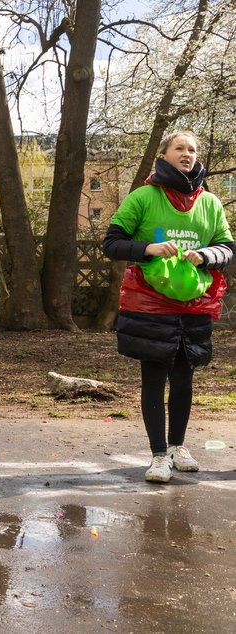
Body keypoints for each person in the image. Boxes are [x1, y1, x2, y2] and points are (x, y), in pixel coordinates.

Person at [102, 130, 233, 483]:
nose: (187, 154)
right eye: (180, 148)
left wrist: (205, 254)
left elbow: (227, 248)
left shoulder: (210, 203)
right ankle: (158, 455)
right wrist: (149, 248)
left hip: (194, 304)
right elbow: (112, 243)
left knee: (184, 375)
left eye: (192, 149)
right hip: (148, 303)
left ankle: (178, 447)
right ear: (164, 155)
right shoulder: (143, 197)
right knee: (154, 376)